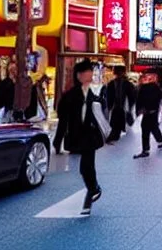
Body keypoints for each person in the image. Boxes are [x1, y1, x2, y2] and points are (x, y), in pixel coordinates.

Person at [54, 59, 105, 215]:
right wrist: (58, 140)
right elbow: (63, 120)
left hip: (90, 135)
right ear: (79, 75)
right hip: (77, 134)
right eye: (86, 72)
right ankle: (94, 188)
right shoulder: (69, 96)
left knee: (86, 165)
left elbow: (101, 115)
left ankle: (91, 192)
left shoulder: (94, 92)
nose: (90, 74)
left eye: (90, 71)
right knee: (85, 168)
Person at [134, 67, 162, 159]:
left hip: (148, 111)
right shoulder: (155, 87)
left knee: (146, 128)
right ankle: (159, 141)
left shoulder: (145, 87)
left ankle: (146, 150)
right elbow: (159, 98)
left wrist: (140, 110)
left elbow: (139, 100)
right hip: (152, 111)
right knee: (152, 127)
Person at [106, 66, 136, 142]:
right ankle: (115, 134)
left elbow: (109, 96)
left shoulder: (113, 83)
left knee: (116, 121)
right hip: (119, 107)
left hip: (119, 107)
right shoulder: (126, 84)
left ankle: (114, 135)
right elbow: (132, 96)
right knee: (117, 121)